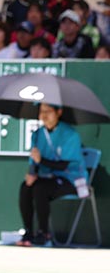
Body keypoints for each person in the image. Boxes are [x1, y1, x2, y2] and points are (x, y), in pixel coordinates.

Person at [16, 103, 88, 247]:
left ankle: (44, 233)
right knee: (26, 187)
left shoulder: (70, 135)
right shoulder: (37, 134)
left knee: (40, 188)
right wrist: (32, 173)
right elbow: (34, 162)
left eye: (48, 111)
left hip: (71, 180)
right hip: (48, 178)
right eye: (41, 111)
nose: (44, 115)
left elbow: (64, 165)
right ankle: (28, 233)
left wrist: (41, 160)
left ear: (58, 112)